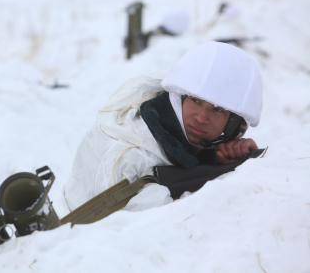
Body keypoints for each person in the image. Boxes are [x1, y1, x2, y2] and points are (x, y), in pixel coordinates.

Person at [64, 41, 263, 211]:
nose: (202, 117)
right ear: (179, 97)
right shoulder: (131, 157)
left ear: (233, 124)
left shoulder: (163, 120)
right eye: (196, 101)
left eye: (218, 110)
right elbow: (168, 228)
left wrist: (214, 156)